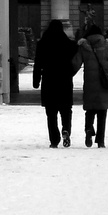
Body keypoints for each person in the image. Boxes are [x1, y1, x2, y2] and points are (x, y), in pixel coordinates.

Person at [73, 24, 108, 148]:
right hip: (105, 85)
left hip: (90, 85)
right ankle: (100, 141)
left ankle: (89, 129)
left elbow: (75, 65)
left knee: (90, 110)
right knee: (102, 113)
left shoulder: (83, 47)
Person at [32, 19, 78, 148]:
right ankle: (66, 130)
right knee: (66, 110)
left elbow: (37, 64)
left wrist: (36, 81)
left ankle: (54, 139)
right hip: (65, 80)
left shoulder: (42, 44)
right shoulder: (69, 44)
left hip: (49, 80)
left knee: (51, 113)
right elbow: (76, 56)